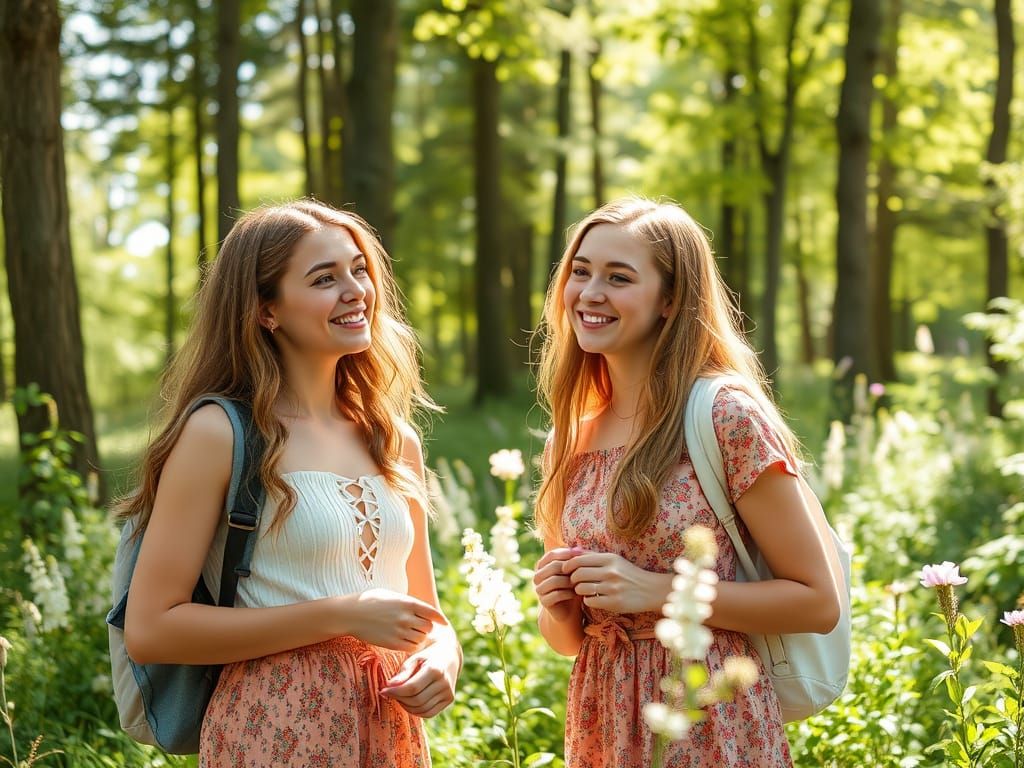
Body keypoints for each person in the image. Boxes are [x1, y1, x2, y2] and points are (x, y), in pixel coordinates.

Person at [119, 200, 460, 767]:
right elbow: (151, 629)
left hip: (387, 727)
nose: (356, 291)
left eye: (358, 270)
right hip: (273, 725)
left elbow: (427, 615)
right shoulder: (219, 434)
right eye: (325, 279)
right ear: (266, 310)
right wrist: (341, 615)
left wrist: (444, 657)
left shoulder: (393, 439)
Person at [531, 197, 842, 767]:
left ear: (671, 299)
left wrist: (660, 592)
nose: (590, 293)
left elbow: (818, 602)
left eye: (618, 278)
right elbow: (568, 642)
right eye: (581, 271)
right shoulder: (569, 439)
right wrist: (557, 605)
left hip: (711, 720)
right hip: (603, 724)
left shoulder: (723, 416)